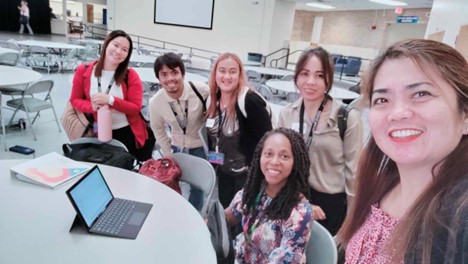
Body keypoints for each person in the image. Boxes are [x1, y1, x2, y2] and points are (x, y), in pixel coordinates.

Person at [337, 39, 468, 264]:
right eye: (382, 99)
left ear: (464, 115)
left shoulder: (460, 215)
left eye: (421, 94)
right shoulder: (381, 185)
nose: (397, 113)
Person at [277, 47, 363, 235]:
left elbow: (354, 173)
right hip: (295, 198)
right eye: (305, 74)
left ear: (328, 80)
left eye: (319, 75)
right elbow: (281, 163)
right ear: (297, 76)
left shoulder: (346, 117)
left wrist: (353, 218)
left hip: (331, 205)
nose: (310, 82)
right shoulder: (286, 114)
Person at [225, 128, 313, 263]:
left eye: (284, 156)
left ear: (295, 162)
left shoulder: (299, 213)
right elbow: (227, 216)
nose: (274, 161)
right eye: (268, 154)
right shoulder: (254, 191)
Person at [70, 30, 155, 162]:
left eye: (124, 49)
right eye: (115, 45)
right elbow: (74, 100)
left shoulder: (130, 75)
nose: (119, 51)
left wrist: (110, 100)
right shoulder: (84, 70)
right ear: (106, 44)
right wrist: (90, 106)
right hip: (97, 129)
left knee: (126, 168)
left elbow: (135, 108)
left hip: (126, 131)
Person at [206, 52, 273, 208]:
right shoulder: (212, 100)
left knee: (242, 217)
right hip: (224, 172)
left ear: (240, 75)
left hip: (247, 176)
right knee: (225, 212)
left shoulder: (250, 102)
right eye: (222, 70)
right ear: (215, 73)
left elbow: (268, 141)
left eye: (232, 71)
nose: (227, 76)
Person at [149, 52, 210, 210]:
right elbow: (158, 129)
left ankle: (194, 213)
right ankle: (176, 212)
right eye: (164, 74)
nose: (170, 79)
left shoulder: (201, 90)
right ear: (158, 78)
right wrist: (168, 153)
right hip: (177, 146)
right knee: (174, 181)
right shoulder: (156, 102)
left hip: (200, 146)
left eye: (174, 72)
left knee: (198, 187)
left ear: (182, 73)